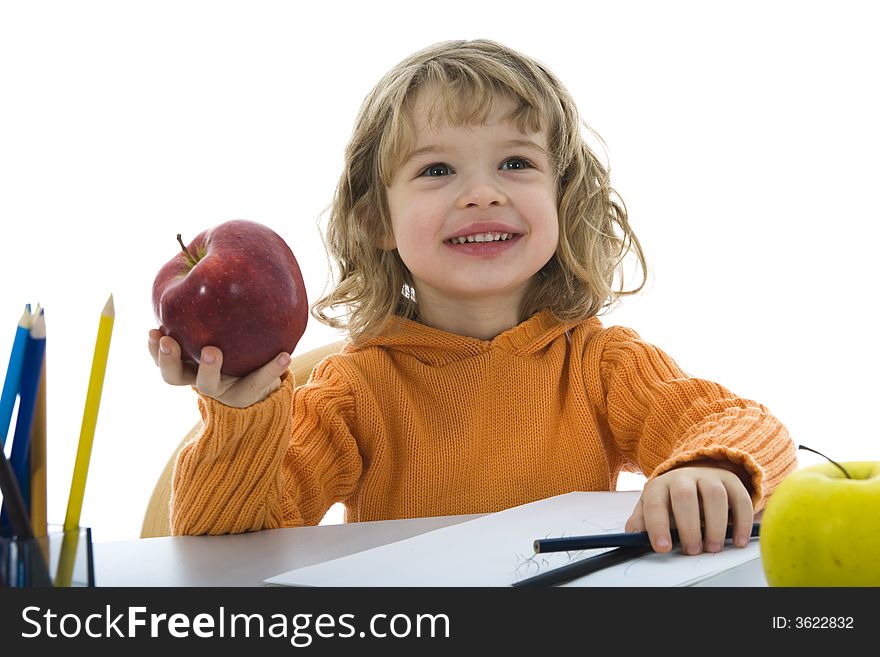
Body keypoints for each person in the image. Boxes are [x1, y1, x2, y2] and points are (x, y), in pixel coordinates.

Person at [148, 39, 797, 556]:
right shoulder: (356, 389)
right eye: (436, 170)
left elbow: (748, 427)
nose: (483, 192)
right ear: (377, 219)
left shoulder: (603, 364)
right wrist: (241, 412)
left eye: (515, 163)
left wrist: (710, 468)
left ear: (562, 202)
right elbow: (223, 546)